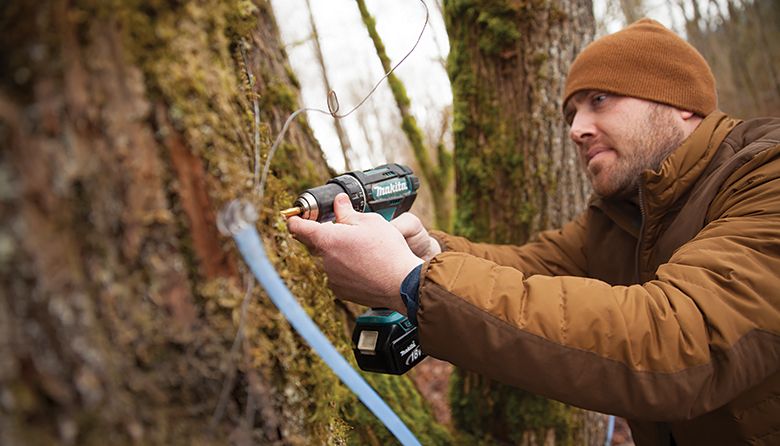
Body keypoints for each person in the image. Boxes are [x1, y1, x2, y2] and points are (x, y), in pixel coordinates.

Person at [288, 18, 780, 446]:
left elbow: (678, 339)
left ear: (681, 104)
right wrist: (429, 250)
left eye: (600, 100)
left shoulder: (765, 176)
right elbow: (527, 267)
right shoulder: (621, 216)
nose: (576, 129)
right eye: (571, 114)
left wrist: (413, 283)